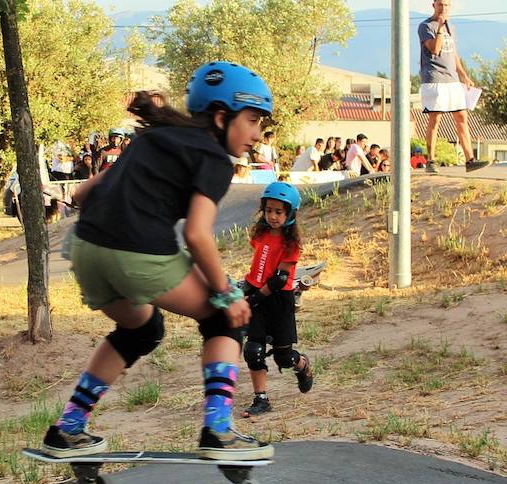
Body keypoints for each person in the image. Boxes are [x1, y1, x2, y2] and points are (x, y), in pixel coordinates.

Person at [40, 61, 274, 462]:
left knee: (140, 330)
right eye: (252, 121)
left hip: (86, 251)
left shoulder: (156, 136)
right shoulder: (215, 160)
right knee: (225, 316)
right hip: (138, 255)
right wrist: (226, 293)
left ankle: (68, 428)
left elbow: (80, 194)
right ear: (222, 117)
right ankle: (218, 430)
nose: (257, 134)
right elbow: (198, 235)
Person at [240, 181, 313, 417]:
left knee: (284, 356)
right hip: (256, 293)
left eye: (279, 212)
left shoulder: (291, 243)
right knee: (253, 350)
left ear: (290, 213)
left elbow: (280, 278)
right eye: (269, 210)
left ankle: (302, 365)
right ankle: (261, 398)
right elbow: (259, 267)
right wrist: (247, 292)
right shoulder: (260, 234)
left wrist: (256, 297)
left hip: (278, 299)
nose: (272, 216)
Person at [418, 0, 489, 173]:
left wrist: (464, 75)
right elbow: (435, 49)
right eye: (440, 4)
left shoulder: (452, 27)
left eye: (446, 5)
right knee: (435, 118)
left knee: (462, 117)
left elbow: (452, 53)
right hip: (435, 78)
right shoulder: (426, 26)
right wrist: (440, 28)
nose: (443, 8)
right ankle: (431, 160)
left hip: (452, 79)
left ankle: (470, 159)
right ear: (434, 5)